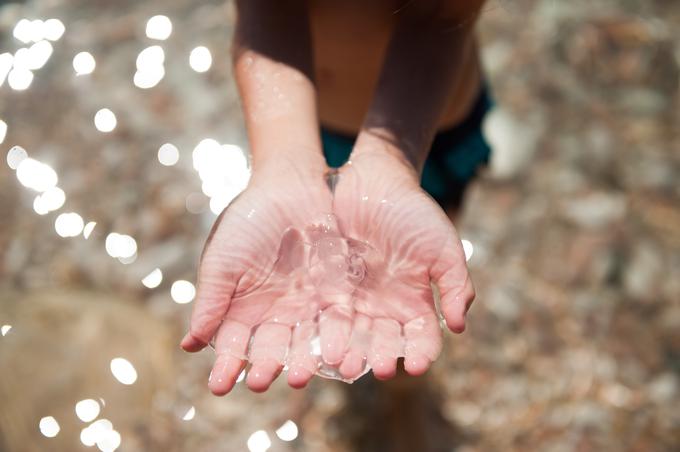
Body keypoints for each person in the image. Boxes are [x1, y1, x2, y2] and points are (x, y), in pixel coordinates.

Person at [180, 0, 488, 398]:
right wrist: (284, 159)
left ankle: (398, 370)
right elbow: (267, 9)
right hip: (304, 119)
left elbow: (439, 15)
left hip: (426, 121)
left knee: (420, 241)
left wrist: (391, 160)